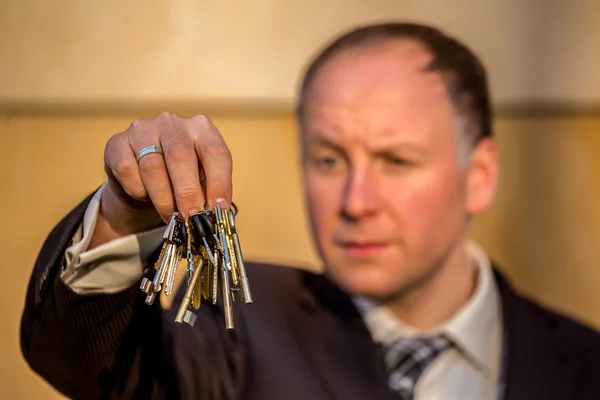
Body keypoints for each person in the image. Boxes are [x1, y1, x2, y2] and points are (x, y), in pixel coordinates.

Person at [20, 21, 600, 400]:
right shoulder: (233, 331)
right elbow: (84, 358)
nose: (355, 203)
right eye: (328, 161)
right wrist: (123, 212)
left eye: (396, 161)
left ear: (479, 176)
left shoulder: (583, 365)